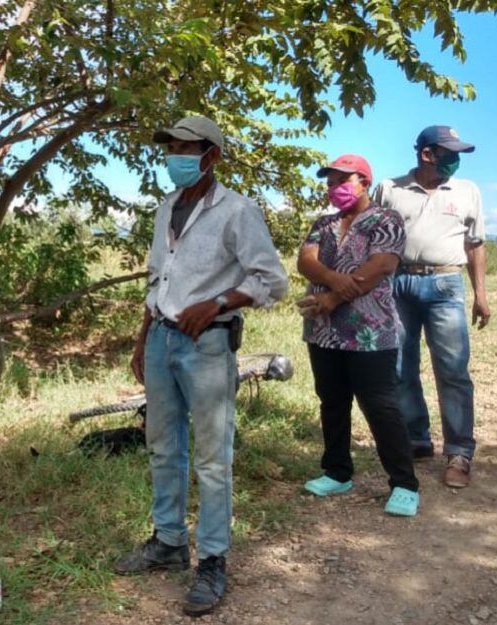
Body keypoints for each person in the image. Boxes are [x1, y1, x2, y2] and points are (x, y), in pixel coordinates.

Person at [116, 116, 288, 617]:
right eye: (170, 146)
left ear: (211, 155)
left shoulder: (238, 211)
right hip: (163, 340)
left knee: (213, 458)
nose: (176, 156)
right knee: (162, 446)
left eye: (186, 148)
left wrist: (216, 303)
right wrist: (142, 340)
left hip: (208, 344)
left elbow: (272, 281)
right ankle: (168, 542)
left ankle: (212, 560)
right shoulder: (166, 207)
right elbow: (158, 283)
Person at [297, 154, 420, 516]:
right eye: (330, 182)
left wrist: (332, 297)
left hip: (371, 331)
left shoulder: (386, 219)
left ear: (364, 181)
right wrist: (336, 281)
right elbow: (306, 261)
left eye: (342, 180)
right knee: (332, 401)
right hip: (324, 332)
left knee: (380, 404)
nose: (335, 188)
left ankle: (404, 483)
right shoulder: (324, 223)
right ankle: (337, 471)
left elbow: (382, 265)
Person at [373, 126, 489, 488]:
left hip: (445, 284)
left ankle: (459, 452)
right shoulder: (390, 189)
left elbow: (475, 245)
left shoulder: (468, 191)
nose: (456, 160)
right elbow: (372, 239)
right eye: (449, 152)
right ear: (427, 154)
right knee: (400, 366)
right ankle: (416, 439)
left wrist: (480, 295)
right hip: (398, 284)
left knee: (453, 370)